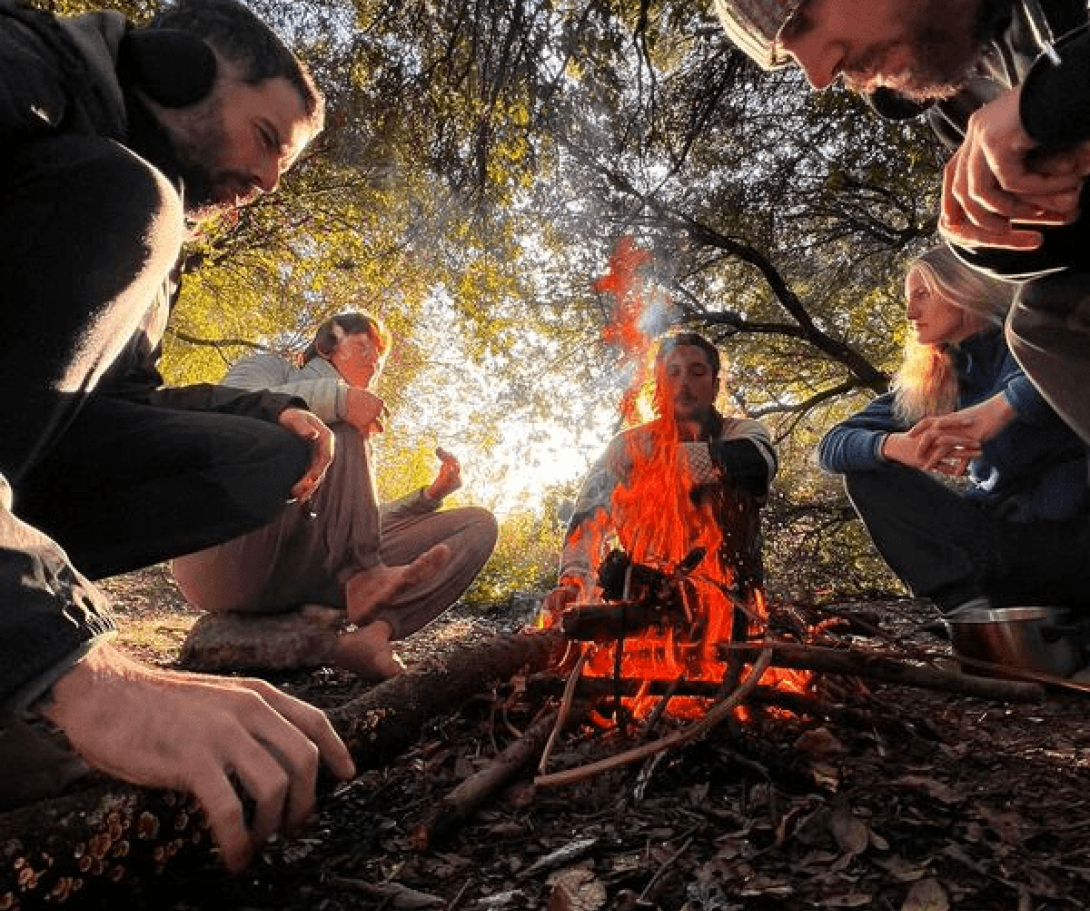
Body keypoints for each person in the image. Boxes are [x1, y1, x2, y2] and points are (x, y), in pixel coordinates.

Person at [0, 0, 355, 870]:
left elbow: (114, 406)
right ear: (177, 69)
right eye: (268, 137)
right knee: (133, 200)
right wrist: (78, 671)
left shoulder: (135, 235)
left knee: (267, 454)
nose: (270, 180)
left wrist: (266, 410)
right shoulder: (21, 67)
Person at [666, 0, 1090, 447]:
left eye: (804, 13)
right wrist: (997, 231)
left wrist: (1060, 100)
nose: (823, 72)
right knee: (1049, 317)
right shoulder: (955, 71)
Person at [172, 311, 499, 679]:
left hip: (304, 570)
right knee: (334, 432)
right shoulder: (273, 370)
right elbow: (233, 404)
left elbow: (354, 526)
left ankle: (373, 637)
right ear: (328, 344)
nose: (375, 362)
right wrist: (340, 403)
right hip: (226, 554)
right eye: (364, 346)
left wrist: (428, 497)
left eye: (380, 358)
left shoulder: (350, 435)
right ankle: (365, 575)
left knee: (477, 525)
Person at [818, 246, 1090, 621]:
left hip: (1073, 544)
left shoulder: (1034, 339)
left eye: (922, 295)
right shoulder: (933, 383)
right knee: (867, 476)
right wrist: (897, 446)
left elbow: (1071, 367)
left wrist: (1001, 407)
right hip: (995, 549)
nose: (912, 312)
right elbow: (831, 445)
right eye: (907, 300)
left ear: (965, 287)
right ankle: (968, 616)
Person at [542, 332, 777, 632]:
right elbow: (588, 518)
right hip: (647, 598)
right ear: (659, 385)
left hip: (731, 603)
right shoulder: (627, 446)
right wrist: (573, 582)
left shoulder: (741, 431)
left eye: (697, 372)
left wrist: (658, 465)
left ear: (716, 385)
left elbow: (758, 464)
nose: (684, 384)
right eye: (673, 373)